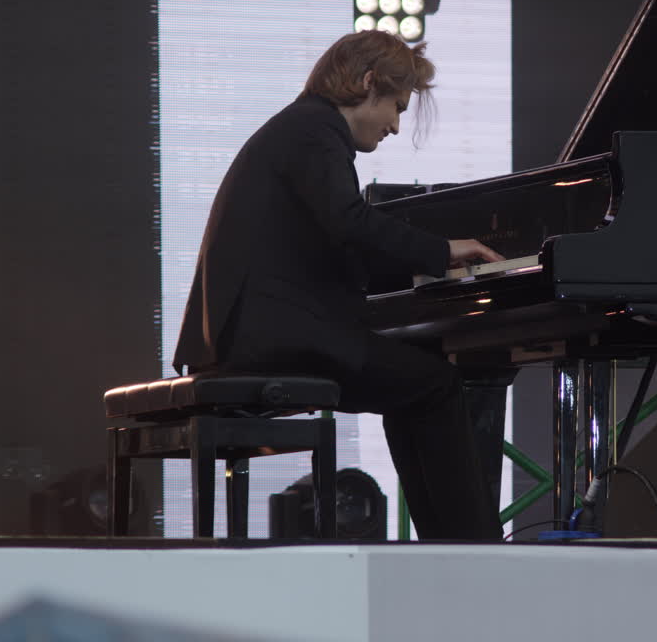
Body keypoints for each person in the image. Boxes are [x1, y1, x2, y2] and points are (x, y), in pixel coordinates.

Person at [173, 31, 505, 540]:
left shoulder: (301, 128)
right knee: (435, 384)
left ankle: (450, 541)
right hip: (271, 337)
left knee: (414, 384)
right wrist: (443, 252)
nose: (395, 126)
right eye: (395, 107)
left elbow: (331, 246)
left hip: (254, 331)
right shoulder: (314, 131)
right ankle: (470, 546)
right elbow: (350, 223)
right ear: (368, 82)